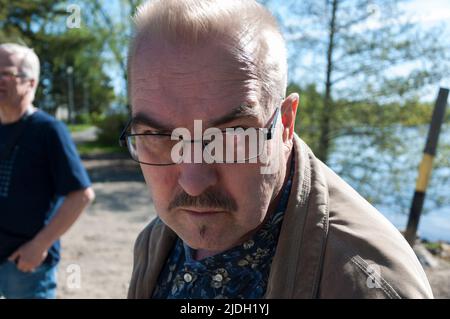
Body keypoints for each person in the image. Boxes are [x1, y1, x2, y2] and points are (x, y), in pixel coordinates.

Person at [124, 0, 433, 298]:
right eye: (159, 136)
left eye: (233, 135)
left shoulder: (367, 284)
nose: (192, 182)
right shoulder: (154, 242)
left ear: (285, 125)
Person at [0, 43, 95, 299]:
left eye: (5, 73)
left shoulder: (48, 130)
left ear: (30, 83)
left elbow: (81, 195)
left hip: (24, 266)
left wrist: (39, 245)